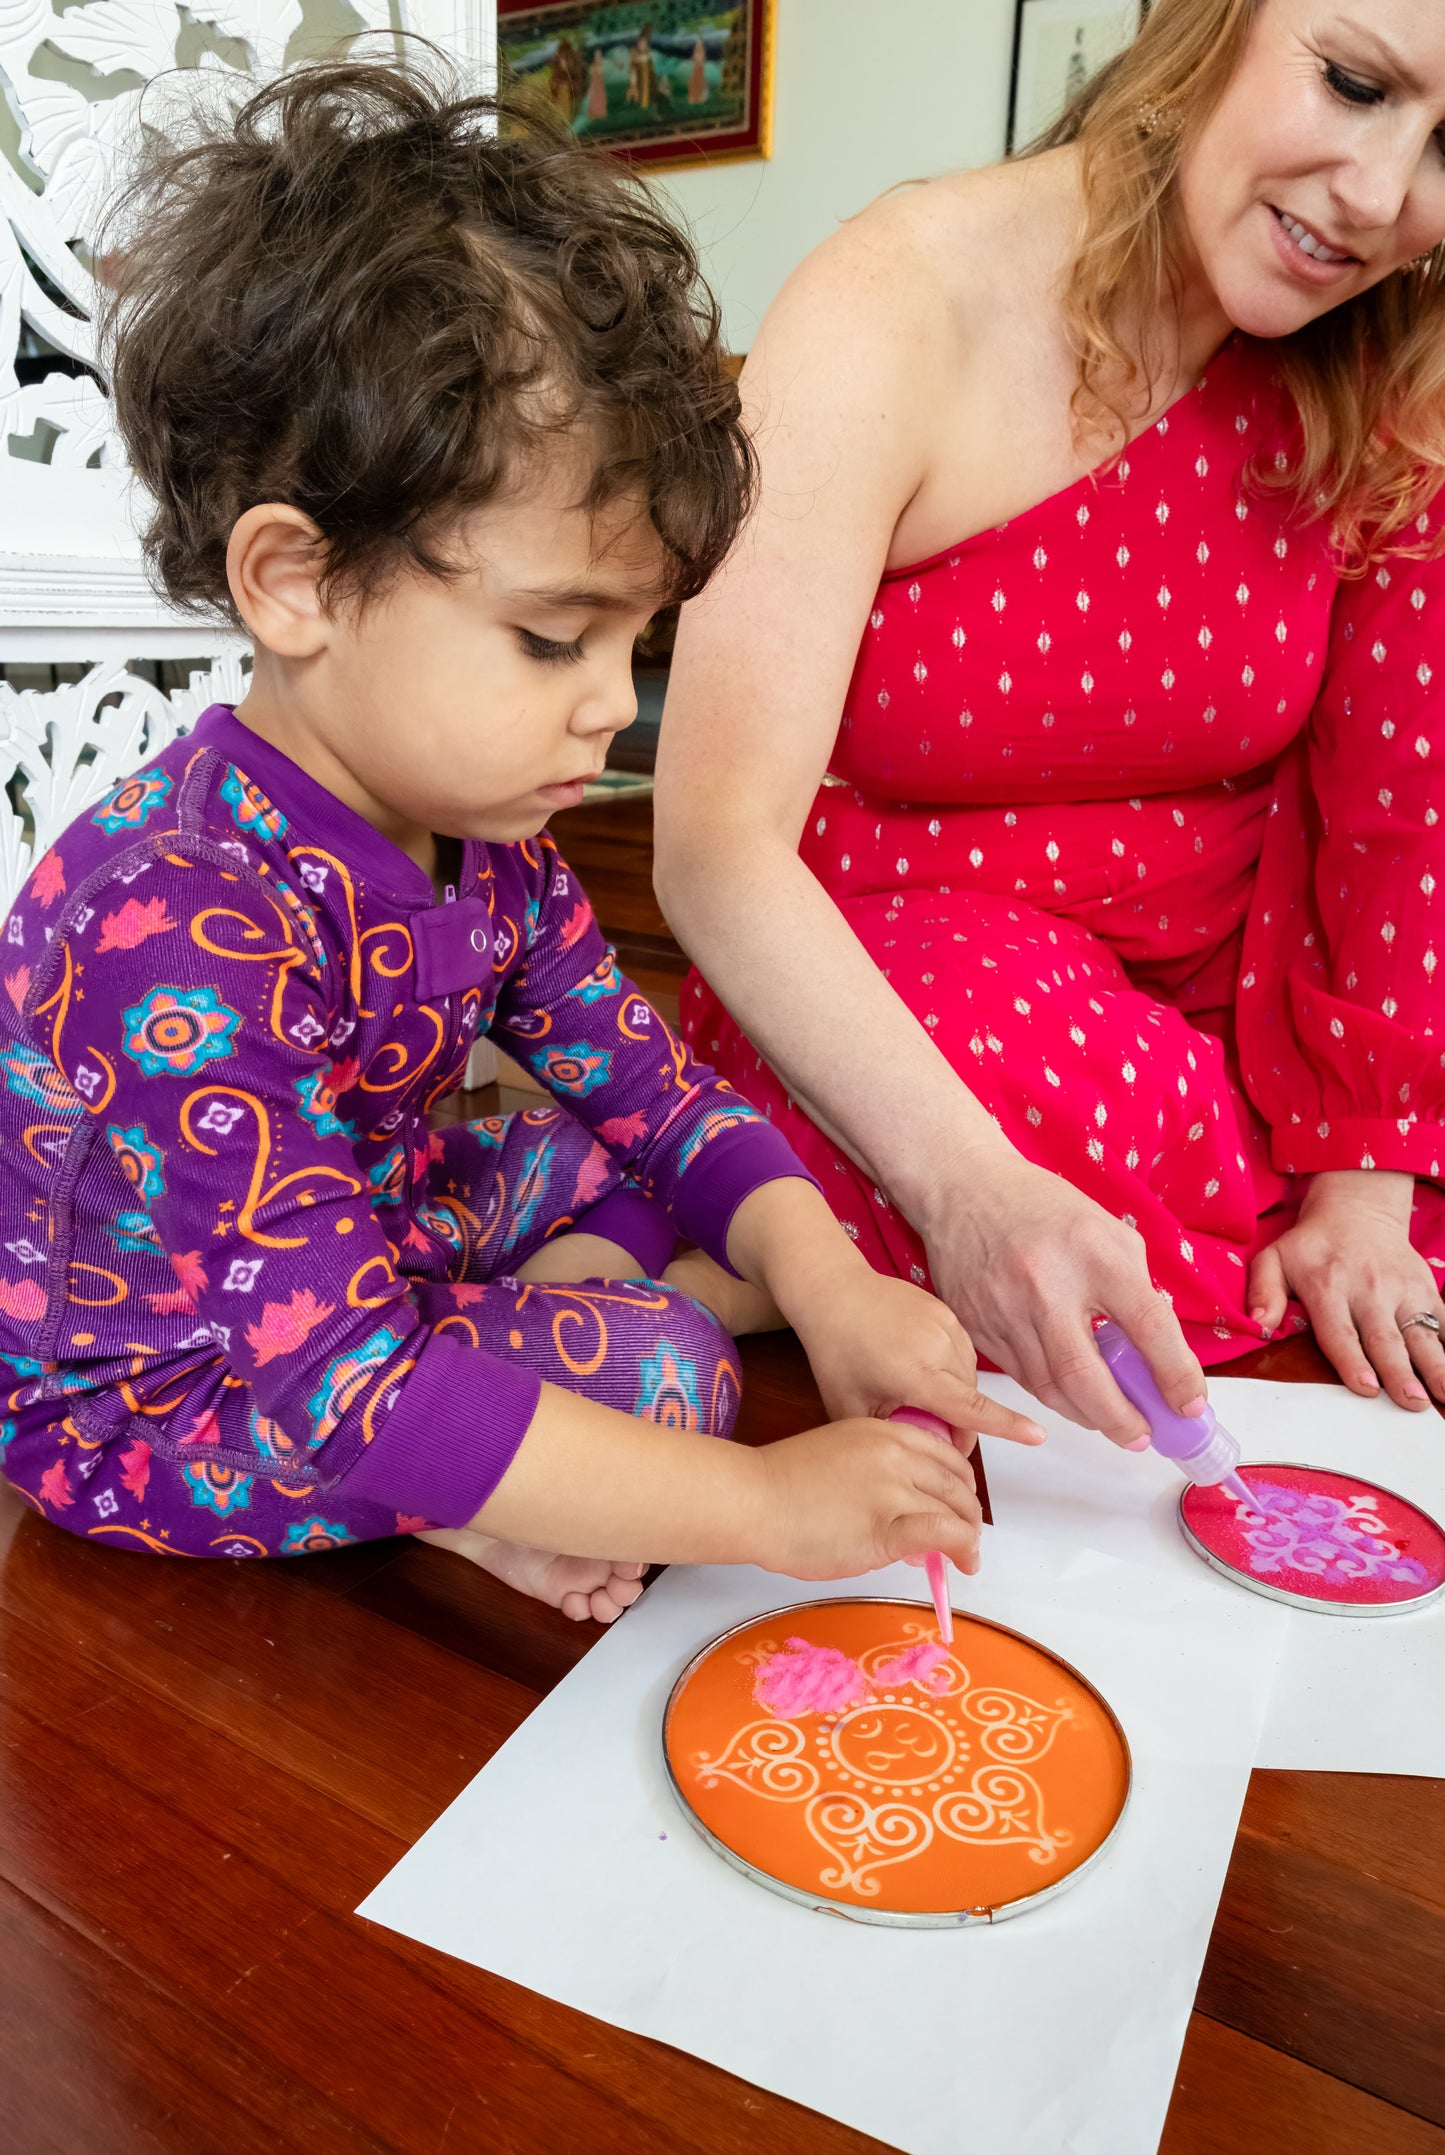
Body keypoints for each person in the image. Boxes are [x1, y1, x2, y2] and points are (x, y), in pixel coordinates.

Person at [0, 60, 1041, 1617]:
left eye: (633, 644)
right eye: (554, 640)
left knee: (684, 1161)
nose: (606, 714)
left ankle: (497, 1420)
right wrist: (762, 1503)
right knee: (670, 1371)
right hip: (163, 1402)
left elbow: (651, 1093)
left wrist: (826, 1286)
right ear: (294, 584)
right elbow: (331, 1385)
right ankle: (474, 1480)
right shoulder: (167, 917)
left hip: (362, 1240)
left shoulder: (487, 842)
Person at [656, 0, 1445, 1454]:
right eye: (1349, 85)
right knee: (995, 1061)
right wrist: (966, 1185)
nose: (1384, 200)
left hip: (1246, 1002)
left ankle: (763, 1255)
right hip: (925, 992)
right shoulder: (893, 299)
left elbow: (1404, 812)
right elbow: (711, 841)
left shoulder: (1400, 359)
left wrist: (1362, 1182)